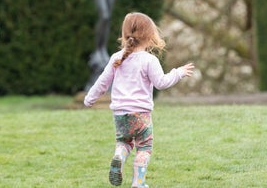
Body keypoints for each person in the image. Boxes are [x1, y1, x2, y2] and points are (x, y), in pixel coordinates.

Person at [84, 12, 195, 188]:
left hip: (120, 114)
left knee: (123, 142)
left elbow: (102, 82)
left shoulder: (117, 58)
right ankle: (138, 183)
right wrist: (178, 72)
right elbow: (161, 83)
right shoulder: (149, 60)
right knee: (144, 147)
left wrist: (89, 99)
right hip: (141, 115)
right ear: (150, 36)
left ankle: (119, 156)